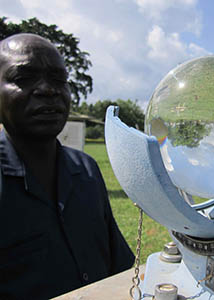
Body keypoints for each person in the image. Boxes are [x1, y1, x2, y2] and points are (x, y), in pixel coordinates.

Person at [0, 33, 134, 299]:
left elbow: (119, 267)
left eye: (59, 80)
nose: (48, 89)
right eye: (24, 78)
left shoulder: (87, 170)